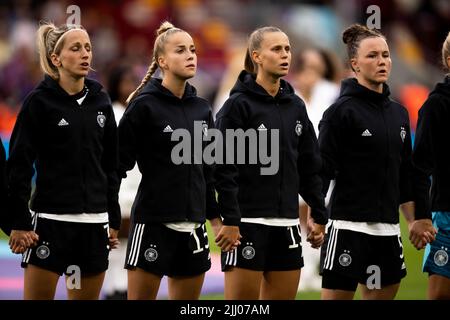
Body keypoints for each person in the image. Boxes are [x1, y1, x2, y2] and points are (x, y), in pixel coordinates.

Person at [318, 24, 435, 300]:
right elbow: (321, 170)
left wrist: (417, 219)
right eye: (372, 56)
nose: (382, 61)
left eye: (385, 54)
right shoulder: (339, 112)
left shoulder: (399, 113)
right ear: (354, 64)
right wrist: (316, 217)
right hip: (347, 228)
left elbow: (407, 172)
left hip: (387, 230)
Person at [7, 22, 120, 300]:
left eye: (88, 48)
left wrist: (112, 217)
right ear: (56, 59)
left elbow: (111, 165)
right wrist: (19, 222)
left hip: (94, 225)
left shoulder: (101, 101)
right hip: (49, 223)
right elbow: (19, 165)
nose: (86, 54)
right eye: (76, 48)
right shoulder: (39, 102)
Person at [213, 26, 327, 300]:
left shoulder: (296, 106)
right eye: (276, 49)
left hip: (287, 226)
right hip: (246, 225)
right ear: (257, 57)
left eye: (287, 49)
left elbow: (309, 166)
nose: (285, 54)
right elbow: (222, 167)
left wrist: (319, 215)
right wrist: (229, 219)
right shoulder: (236, 106)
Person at [119, 21, 223, 300]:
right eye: (181, 50)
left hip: (194, 228)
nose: (190, 55)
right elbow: (116, 165)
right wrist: (108, 215)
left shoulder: (202, 109)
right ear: (161, 61)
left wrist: (215, 219)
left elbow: (209, 170)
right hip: (153, 223)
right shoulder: (144, 106)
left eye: (192, 50)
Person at [292, 47, 341, 291]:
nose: (310, 74)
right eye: (306, 67)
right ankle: (305, 270)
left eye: (315, 66)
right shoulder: (292, 94)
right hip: (298, 164)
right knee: (301, 218)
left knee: (319, 216)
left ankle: (317, 266)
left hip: (323, 165)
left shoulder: (331, 92)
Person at [412, 31, 450, 299]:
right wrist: (423, 216)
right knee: (440, 294)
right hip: (447, 213)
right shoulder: (436, 106)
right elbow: (420, 167)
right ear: (448, 60)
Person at [103, 66, 140, 300]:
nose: (128, 87)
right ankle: (114, 287)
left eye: (132, 82)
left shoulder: (138, 112)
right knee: (115, 241)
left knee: (131, 243)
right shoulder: (111, 113)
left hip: (138, 187)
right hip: (120, 190)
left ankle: (124, 286)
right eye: (124, 82)